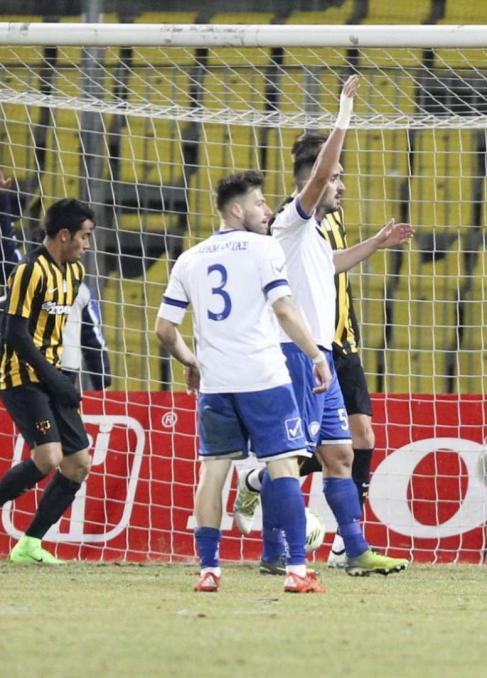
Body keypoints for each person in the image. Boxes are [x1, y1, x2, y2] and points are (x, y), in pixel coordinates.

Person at [233, 75, 411, 577]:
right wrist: (344, 116)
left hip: (323, 354)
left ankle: (354, 549)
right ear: (316, 178)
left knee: (339, 455)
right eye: (336, 178)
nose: (341, 185)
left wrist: (375, 244)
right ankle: (276, 550)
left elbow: (327, 265)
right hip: (296, 354)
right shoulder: (291, 218)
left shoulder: (310, 234)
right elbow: (320, 177)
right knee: (289, 458)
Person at [155, 170, 332, 593]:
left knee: (212, 473)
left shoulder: (190, 258)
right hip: (264, 378)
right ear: (237, 210)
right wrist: (315, 356)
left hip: (216, 384)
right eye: (259, 203)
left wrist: (191, 361)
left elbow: (163, 329)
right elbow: (285, 310)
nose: (267, 210)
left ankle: (209, 570)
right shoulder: (265, 248)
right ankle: (297, 571)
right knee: (284, 467)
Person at [0, 198, 97, 565]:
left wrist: (63, 377)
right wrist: (55, 380)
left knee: (78, 465)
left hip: (53, 374)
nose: (88, 245)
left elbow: (54, 331)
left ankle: (29, 544)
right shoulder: (29, 270)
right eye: (84, 236)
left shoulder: (74, 272)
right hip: (20, 375)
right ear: (64, 235)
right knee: (49, 456)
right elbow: (16, 334)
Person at [0, 172, 111, 388]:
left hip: (63, 368)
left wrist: (102, 379)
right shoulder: (22, 272)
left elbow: (91, 334)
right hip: (21, 368)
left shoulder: (78, 284)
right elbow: (1, 245)